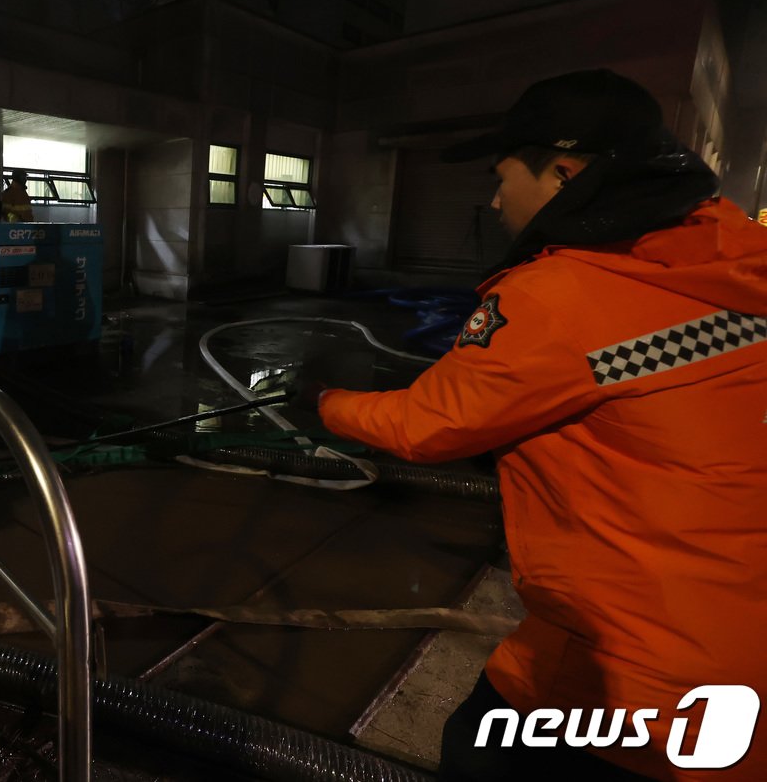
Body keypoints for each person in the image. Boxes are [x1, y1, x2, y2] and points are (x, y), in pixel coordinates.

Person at [308, 70, 767, 781]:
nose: (494, 199)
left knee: (476, 746)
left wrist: (323, 402)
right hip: (745, 654)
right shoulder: (738, 264)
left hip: (639, 666)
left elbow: (427, 424)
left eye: (502, 176)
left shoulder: (565, 292)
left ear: (564, 172)